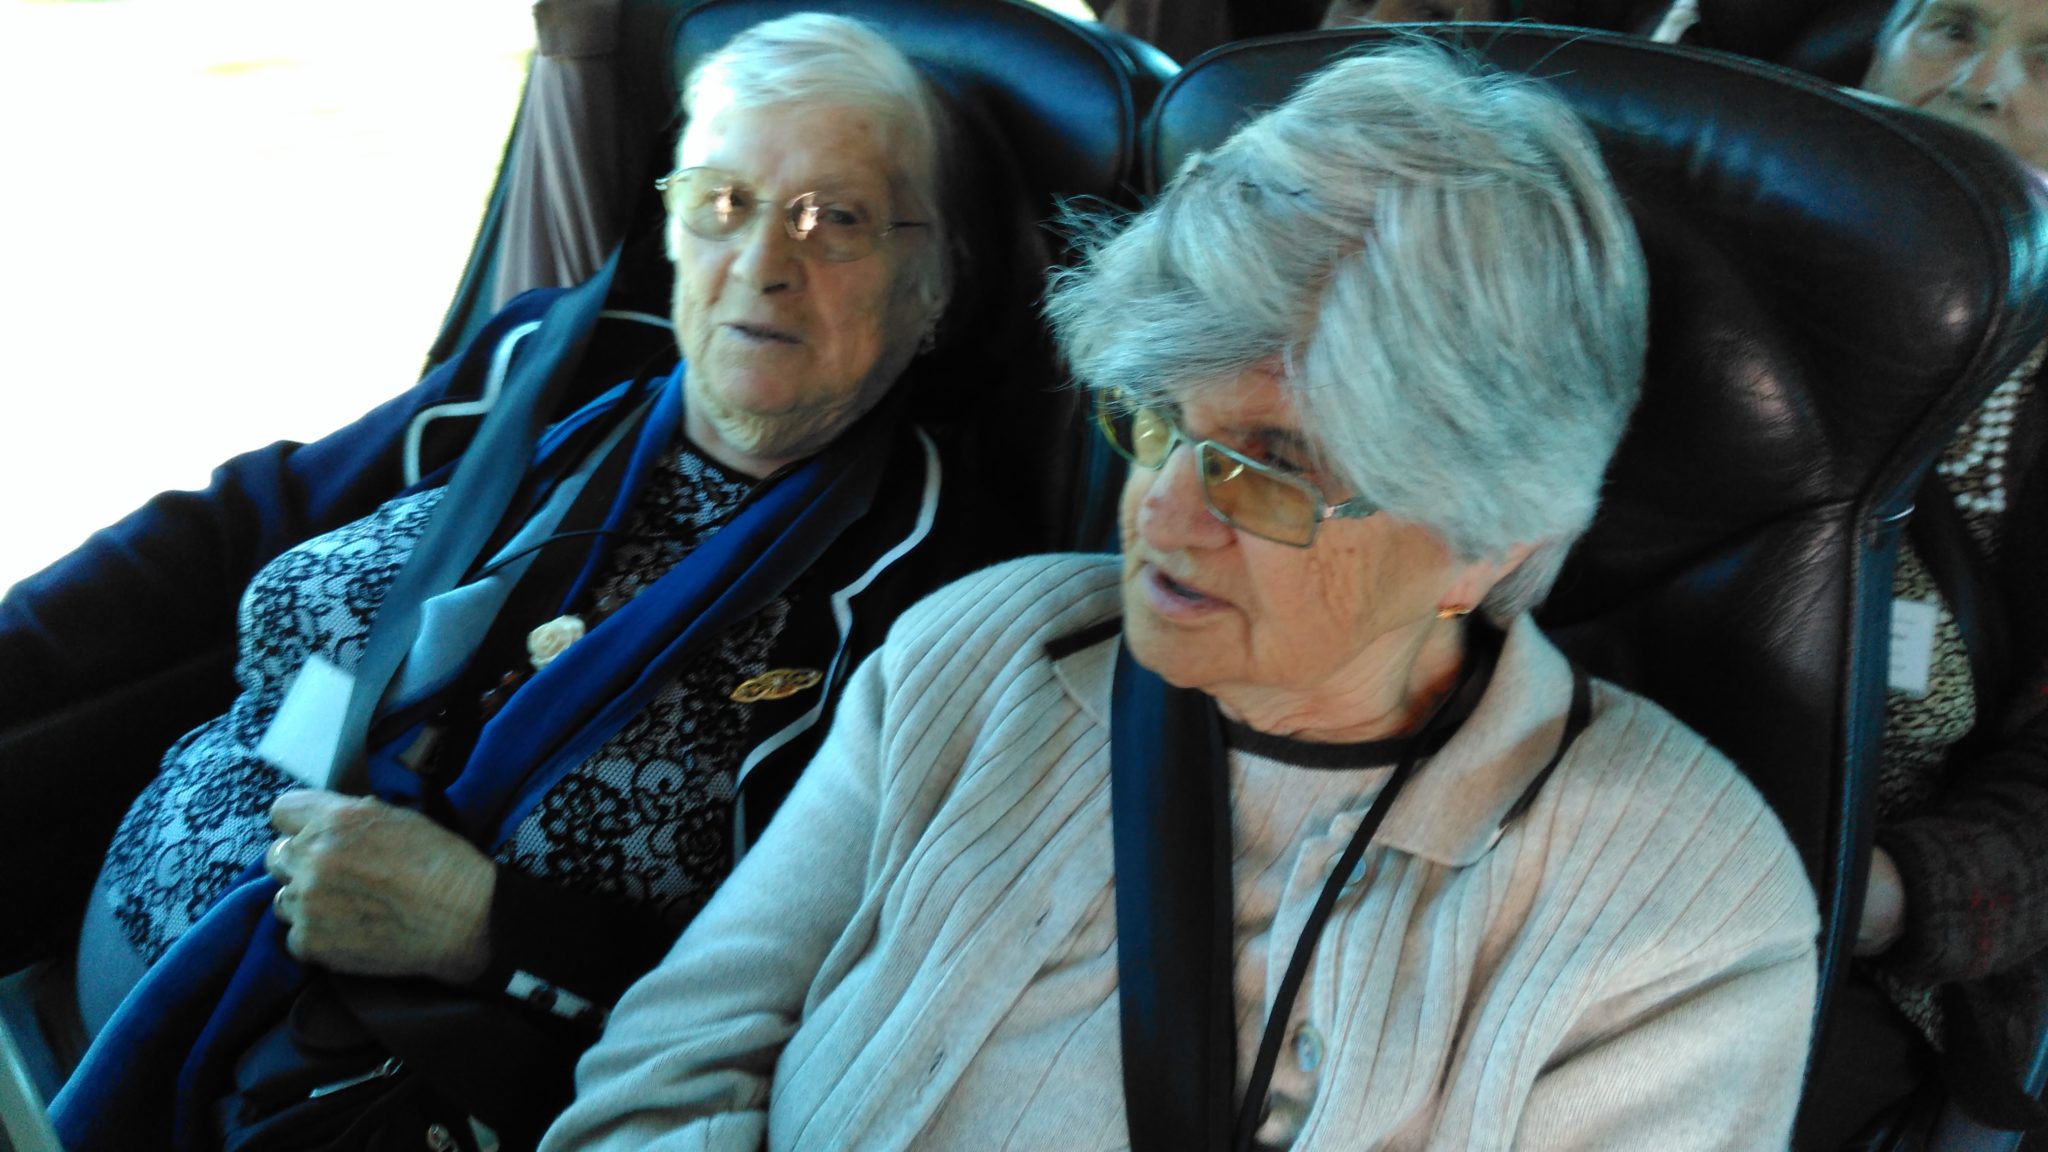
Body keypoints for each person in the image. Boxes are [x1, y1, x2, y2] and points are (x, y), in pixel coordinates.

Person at [541, 43, 1819, 1152]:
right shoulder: (979, 654)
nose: (1156, 511)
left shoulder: (1678, 923)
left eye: (1269, 467)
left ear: (1487, 538)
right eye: (1157, 417)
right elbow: (666, 1068)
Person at [7, 12, 1025, 1149]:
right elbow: (239, 523)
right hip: (66, 994)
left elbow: (834, 999)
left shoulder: (934, 599)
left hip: (340, 1103)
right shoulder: (554, 363)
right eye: (722, 200)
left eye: (834, 219)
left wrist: (485, 926)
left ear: (936, 283)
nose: (761, 265)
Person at [1795, 0, 2048, 1142]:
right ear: (1876, 50)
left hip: (1886, 953)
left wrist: (1893, 894)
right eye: (1949, 26)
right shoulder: (1696, 269)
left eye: (2047, 60)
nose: (1984, 83)